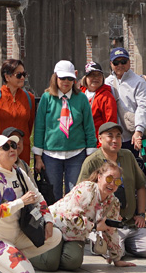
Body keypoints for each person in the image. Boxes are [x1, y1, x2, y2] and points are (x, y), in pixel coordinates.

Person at [0, 133, 62, 273]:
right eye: (5, 147)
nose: (12, 149)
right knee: (27, 272)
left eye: (13, 146)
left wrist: (48, 220)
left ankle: (4, 262)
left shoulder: (19, 172)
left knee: (55, 236)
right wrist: (21, 202)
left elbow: (38, 196)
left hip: (16, 234)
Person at [77, 122, 146, 259]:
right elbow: (81, 194)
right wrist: (95, 222)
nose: (115, 140)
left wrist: (142, 214)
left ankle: (122, 244)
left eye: (118, 136)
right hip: (106, 223)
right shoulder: (92, 161)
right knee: (116, 254)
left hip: (130, 223)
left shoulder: (128, 156)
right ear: (100, 138)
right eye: (110, 136)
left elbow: (140, 185)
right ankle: (102, 241)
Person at [39, 161, 134, 269]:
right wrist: (94, 227)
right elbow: (70, 216)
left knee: (73, 262)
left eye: (116, 181)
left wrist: (117, 258)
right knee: (49, 263)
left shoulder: (113, 202)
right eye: (109, 179)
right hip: (56, 225)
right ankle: (29, 254)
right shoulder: (87, 189)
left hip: (75, 234)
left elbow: (111, 229)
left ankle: (56, 253)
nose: (112, 183)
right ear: (99, 177)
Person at [33, 61, 96, 199]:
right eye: (62, 78)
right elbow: (39, 128)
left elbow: (89, 127)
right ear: (55, 78)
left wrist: (90, 153)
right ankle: (53, 221)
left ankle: (72, 221)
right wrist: (38, 156)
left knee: (75, 195)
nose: (66, 82)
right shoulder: (46, 98)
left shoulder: (82, 99)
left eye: (70, 78)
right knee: (52, 194)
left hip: (77, 154)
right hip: (51, 155)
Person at [0, 58, 37, 163]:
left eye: (24, 74)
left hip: (22, 151)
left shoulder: (29, 98)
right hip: (1, 150)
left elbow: (29, 125)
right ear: (7, 77)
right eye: (19, 75)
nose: (23, 78)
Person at [104, 48, 146, 161]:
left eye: (123, 62)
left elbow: (143, 106)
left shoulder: (139, 82)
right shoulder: (107, 82)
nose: (120, 65)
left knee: (135, 171)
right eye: (116, 62)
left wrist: (138, 131)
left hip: (132, 136)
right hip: (113, 138)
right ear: (111, 64)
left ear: (129, 62)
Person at [80, 62, 118, 142]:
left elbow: (110, 123)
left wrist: (103, 145)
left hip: (97, 144)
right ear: (85, 78)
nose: (96, 78)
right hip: (79, 143)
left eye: (99, 75)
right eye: (92, 75)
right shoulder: (79, 94)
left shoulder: (106, 97)